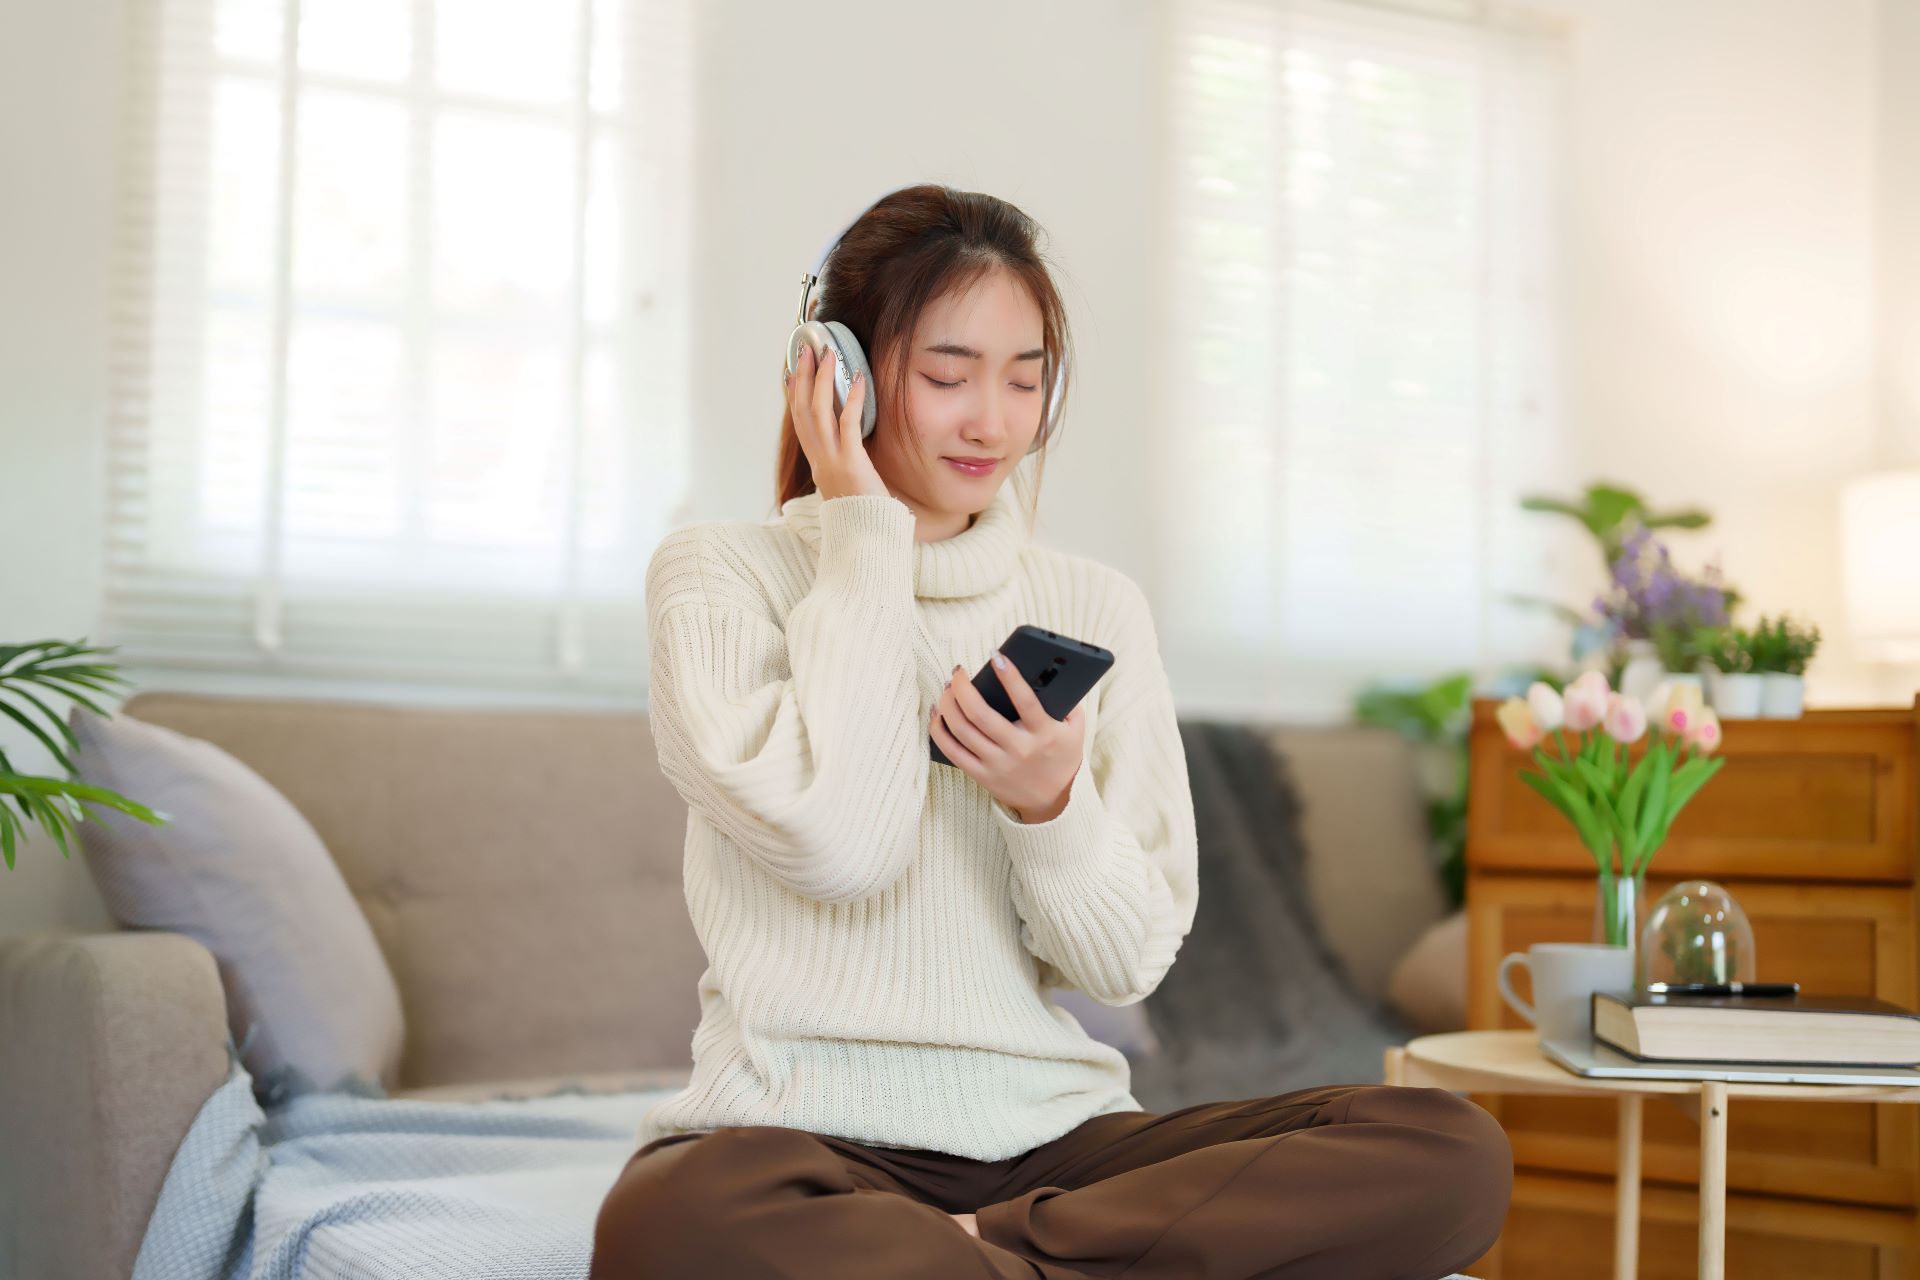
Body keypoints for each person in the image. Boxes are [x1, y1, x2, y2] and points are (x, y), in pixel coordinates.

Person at [590, 183, 1512, 1280]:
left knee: (1449, 1147)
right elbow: (843, 845)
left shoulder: (1096, 604)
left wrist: (1051, 806)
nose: (995, 420)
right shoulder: (719, 579)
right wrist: (861, 538)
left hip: (1052, 1153)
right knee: (670, 1222)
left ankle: (980, 1256)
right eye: (947, 376)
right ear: (832, 370)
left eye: (1025, 378)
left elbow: (1125, 962)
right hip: (804, 1136)